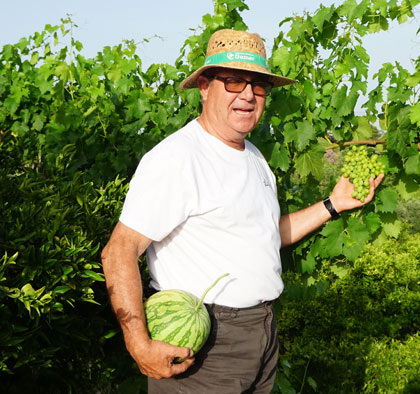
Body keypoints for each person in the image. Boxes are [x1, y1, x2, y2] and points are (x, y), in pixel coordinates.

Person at [101, 28, 384, 393]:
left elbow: (264, 236)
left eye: (258, 85)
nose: (248, 95)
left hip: (261, 333)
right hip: (202, 345)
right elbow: (119, 251)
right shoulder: (178, 158)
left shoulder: (253, 156)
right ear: (204, 86)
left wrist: (332, 205)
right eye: (234, 81)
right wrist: (138, 343)